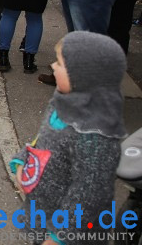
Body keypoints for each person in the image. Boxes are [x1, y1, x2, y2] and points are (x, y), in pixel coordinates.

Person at [10, 32, 125, 242]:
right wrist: (22, 161)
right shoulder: (62, 103)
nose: (53, 66)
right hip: (43, 214)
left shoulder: (94, 136)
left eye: (60, 64)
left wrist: (58, 237)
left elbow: (89, 195)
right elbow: (42, 141)